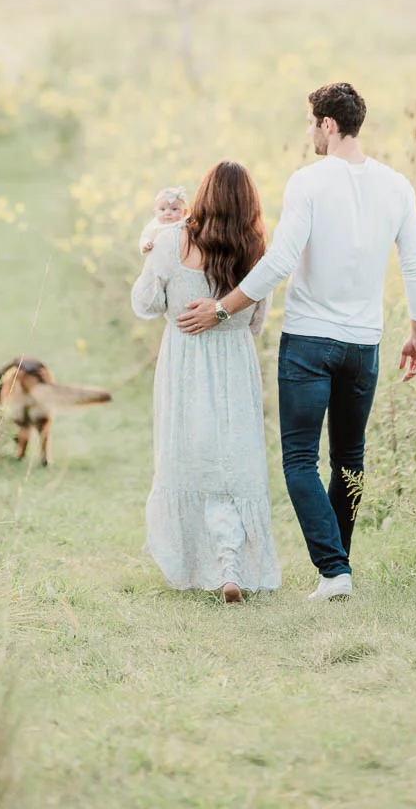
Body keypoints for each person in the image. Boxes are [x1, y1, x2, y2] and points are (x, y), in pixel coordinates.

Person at [177, 82, 416, 601]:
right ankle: (336, 569)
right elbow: (415, 264)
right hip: (365, 345)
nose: (310, 132)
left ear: (328, 125)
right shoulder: (397, 186)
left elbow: (280, 262)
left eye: (311, 123)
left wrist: (223, 306)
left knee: (299, 459)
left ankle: (334, 570)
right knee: (349, 459)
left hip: (311, 341)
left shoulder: (309, 182)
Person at [131, 161, 281, 603]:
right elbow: (256, 321)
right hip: (234, 362)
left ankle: (192, 562)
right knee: (232, 464)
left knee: (188, 457)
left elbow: (144, 304)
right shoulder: (256, 251)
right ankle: (231, 566)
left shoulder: (170, 241)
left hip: (184, 362)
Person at [139, 184, 187, 255]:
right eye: (162, 209)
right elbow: (145, 236)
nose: (167, 213)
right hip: (161, 257)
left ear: (184, 212)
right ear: (155, 212)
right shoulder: (154, 225)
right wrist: (146, 244)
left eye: (174, 209)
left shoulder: (185, 224)